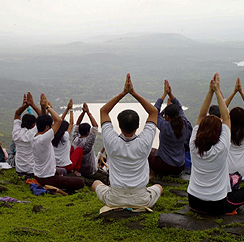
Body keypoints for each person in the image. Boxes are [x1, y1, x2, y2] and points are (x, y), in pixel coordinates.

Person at [187, 73, 244, 215]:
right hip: (217, 204)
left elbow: (202, 116)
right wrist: (217, 91)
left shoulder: (193, 145)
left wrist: (210, 91)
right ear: (218, 131)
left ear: (200, 129)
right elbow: (226, 117)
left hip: (193, 201)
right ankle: (230, 210)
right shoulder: (222, 147)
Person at [92, 74, 163, 209]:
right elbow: (153, 112)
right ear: (138, 126)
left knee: (95, 183)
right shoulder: (144, 142)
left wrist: (123, 93)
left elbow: (104, 111)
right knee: (158, 187)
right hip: (140, 198)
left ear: (119, 126)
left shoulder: (111, 141)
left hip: (115, 198)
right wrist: (134, 93)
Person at [32, 94, 84, 190]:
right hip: (47, 178)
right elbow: (59, 120)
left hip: (39, 175)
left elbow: (43, 120)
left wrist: (43, 108)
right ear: (47, 128)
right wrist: (48, 107)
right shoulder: (44, 139)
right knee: (81, 182)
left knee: (62, 172)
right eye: (51, 126)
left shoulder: (35, 136)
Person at [149, 80, 192, 177]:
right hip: (180, 165)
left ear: (167, 117)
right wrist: (170, 94)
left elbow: (154, 111)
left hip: (164, 165)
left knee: (149, 153)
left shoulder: (164, 126)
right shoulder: (184, 124)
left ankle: (152, 177)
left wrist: (165, 94)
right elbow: (179, 107)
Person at [13, 92, 41, 177]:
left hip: (19, 170)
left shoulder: (16, 133)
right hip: (32, 170)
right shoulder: (33, 133)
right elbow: (43, 116)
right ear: (33, 125)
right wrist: (32, 105)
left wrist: (25, 106)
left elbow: (17, 114)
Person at [51, 99, 81, 173]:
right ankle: (76, 170)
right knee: (79, 149)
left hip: (53, 165)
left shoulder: (51, 135)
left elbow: (58, 121)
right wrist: (70, 109)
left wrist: (67, 109)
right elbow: (71, 123)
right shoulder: (65, 136)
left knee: (70, 147)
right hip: (67, 167)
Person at [72, 102, 99, 177]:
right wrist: (88, 112)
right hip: (90, 170)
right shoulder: (88, 142)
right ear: (88, 132)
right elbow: (95, 126)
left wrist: (83, 113)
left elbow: (77, 124)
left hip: (79, 169)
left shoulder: (75, 139)